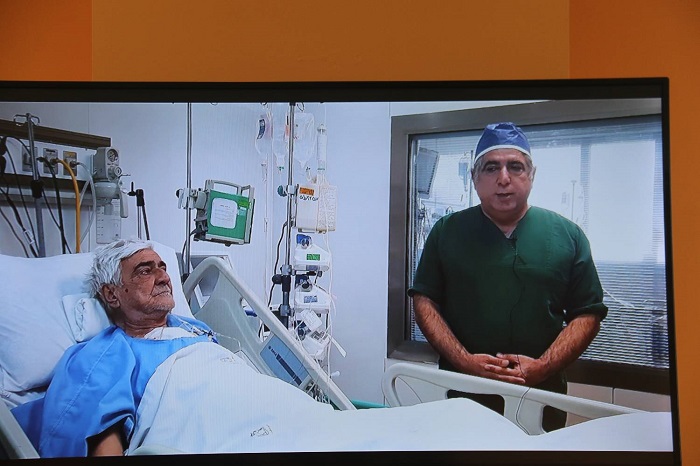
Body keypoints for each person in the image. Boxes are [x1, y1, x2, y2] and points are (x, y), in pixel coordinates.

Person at [408, 122, 608, 432]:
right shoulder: (447, 232)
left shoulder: (568, 236)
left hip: (540, 397)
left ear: (532, 175)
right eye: (491, 168)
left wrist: (543, 367)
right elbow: (424, 300)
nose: (503, 178)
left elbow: (588, 313)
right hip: (462, 394)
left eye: (515, 167)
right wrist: (463, 360)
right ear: (474, 177)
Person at [11, 238, 223, 457]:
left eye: (162, 268)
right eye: (145, 271)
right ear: (112, 295)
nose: (164, 278)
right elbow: (100, 431)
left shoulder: (195, 328)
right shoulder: (108, 355)